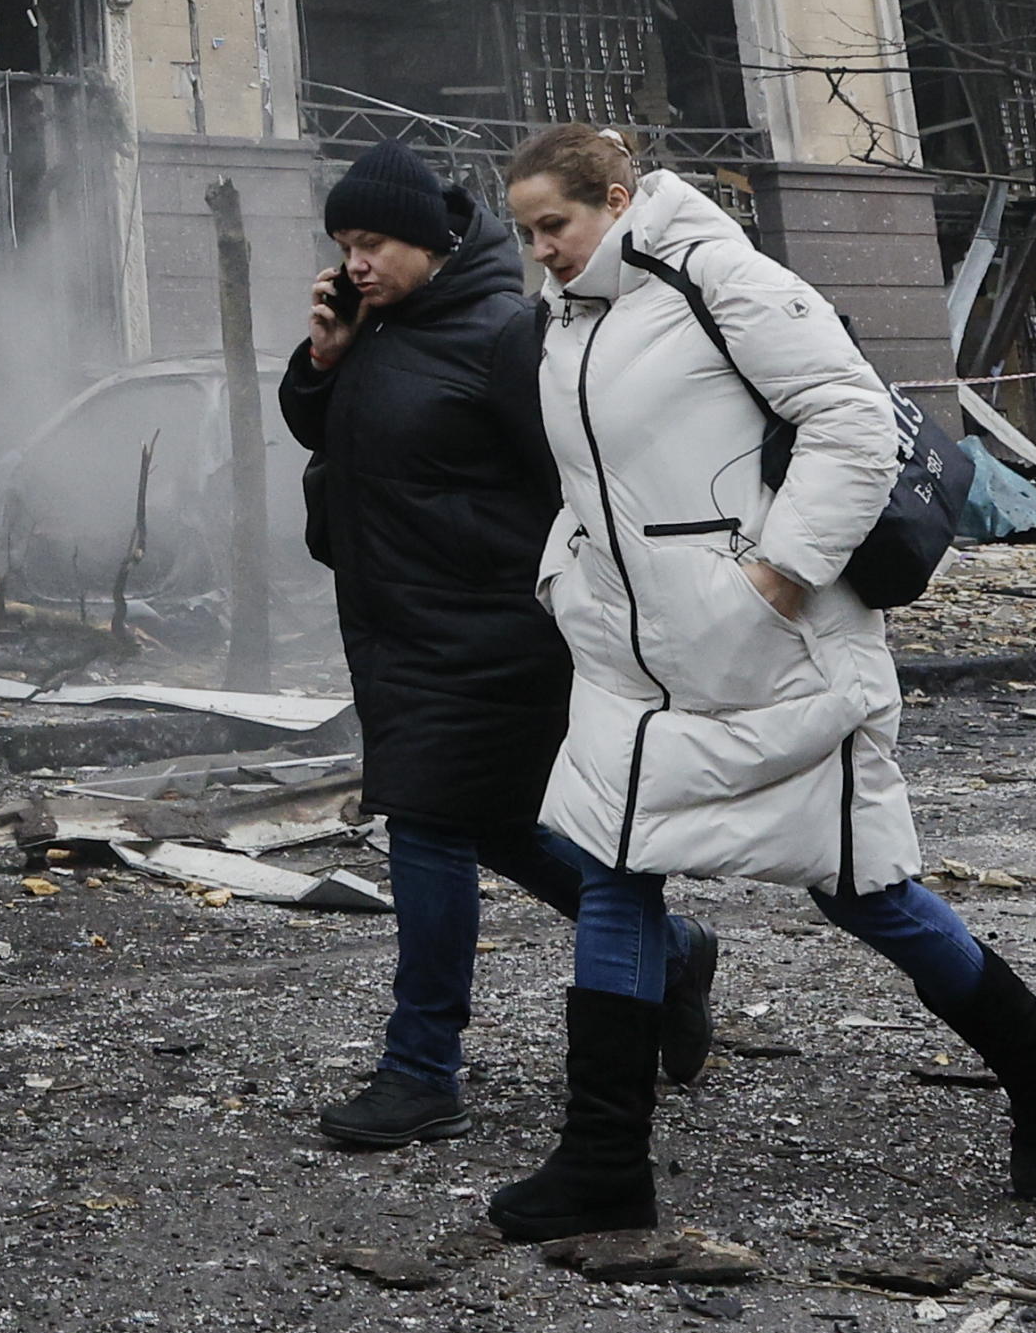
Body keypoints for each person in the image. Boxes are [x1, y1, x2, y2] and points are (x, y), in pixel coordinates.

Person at [479, 121, 1036, 1236]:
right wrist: (564, 577)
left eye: (553, 224)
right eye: (524, 231)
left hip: (774, 650)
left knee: (860, 886)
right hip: (630, 660)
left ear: (617, 200)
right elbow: (595, 482)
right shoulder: (572, 316)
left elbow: (854, 421)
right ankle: (601, 1162)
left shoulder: (724, 278)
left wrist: (777, 574)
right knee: (616, 869)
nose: (539, 250)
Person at [280, 138, 714, 1148]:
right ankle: (674, 950)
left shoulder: (505, 335)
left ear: (430, 242)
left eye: (373, 242)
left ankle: (420, 1067)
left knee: (427, 825)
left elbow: (580, 479)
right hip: (396, 627)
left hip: (490, 630)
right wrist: (323, 359)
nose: (355, 262)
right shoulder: (377, 328)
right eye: (344, 244)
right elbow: (329, 435)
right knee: (501, 828)